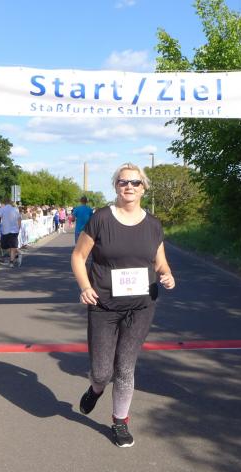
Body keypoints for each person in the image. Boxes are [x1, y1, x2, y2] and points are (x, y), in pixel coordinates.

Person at [70, 163, 176, 448]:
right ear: (115, 186)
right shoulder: (101, 219)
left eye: (135, 182)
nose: (129, 186)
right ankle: (96, 389)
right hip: (104, 305)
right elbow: (78, 257)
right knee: (102, 372)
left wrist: (167, 275)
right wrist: (85, 287)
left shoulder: (153, 224)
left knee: (125, 367)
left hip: (141, 306)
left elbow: (160, 263)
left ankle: (120, 421)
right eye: (123, 182)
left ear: (144, 188)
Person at [0, 198, 22, 266]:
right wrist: (19, 228)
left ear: (4, 203)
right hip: (14, 230)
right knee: (8, 246)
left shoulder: (3, 209)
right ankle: (17, 254)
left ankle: (11, 262)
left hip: (7, 230)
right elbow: (19, 219)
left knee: (7, 246)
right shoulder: (15, 209)